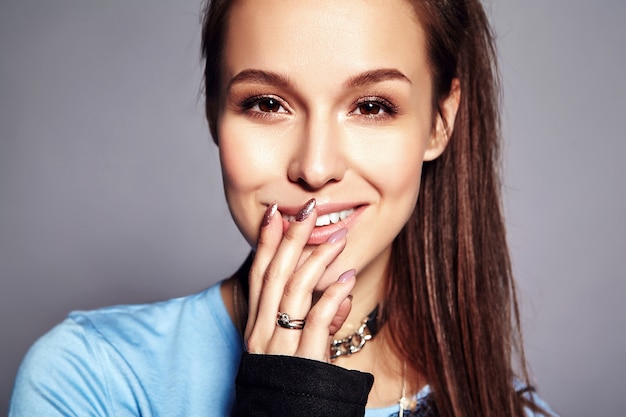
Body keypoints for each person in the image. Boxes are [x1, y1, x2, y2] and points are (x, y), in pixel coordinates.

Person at [10, 0, 559, 416]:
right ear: (213, 115)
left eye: (371, 106)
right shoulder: (93, 379)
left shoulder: (505, 407)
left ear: (440, 121)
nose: (315, 167)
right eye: (267, 104)